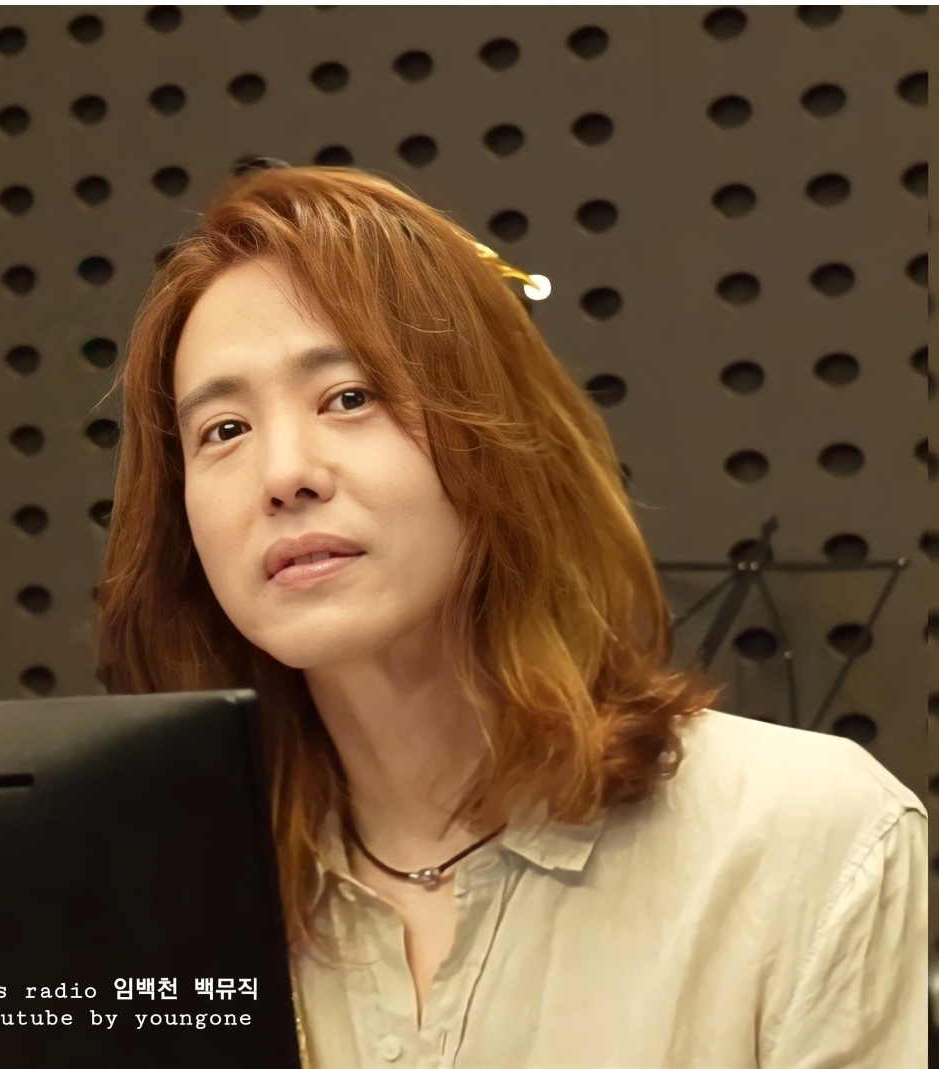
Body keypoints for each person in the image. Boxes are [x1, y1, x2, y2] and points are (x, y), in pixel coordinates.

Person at [95, 162, 927, 1068]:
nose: (284, 473)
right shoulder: (151, 907)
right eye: (223, 430)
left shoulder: (804, 839)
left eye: (350, 397)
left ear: (499, 436)